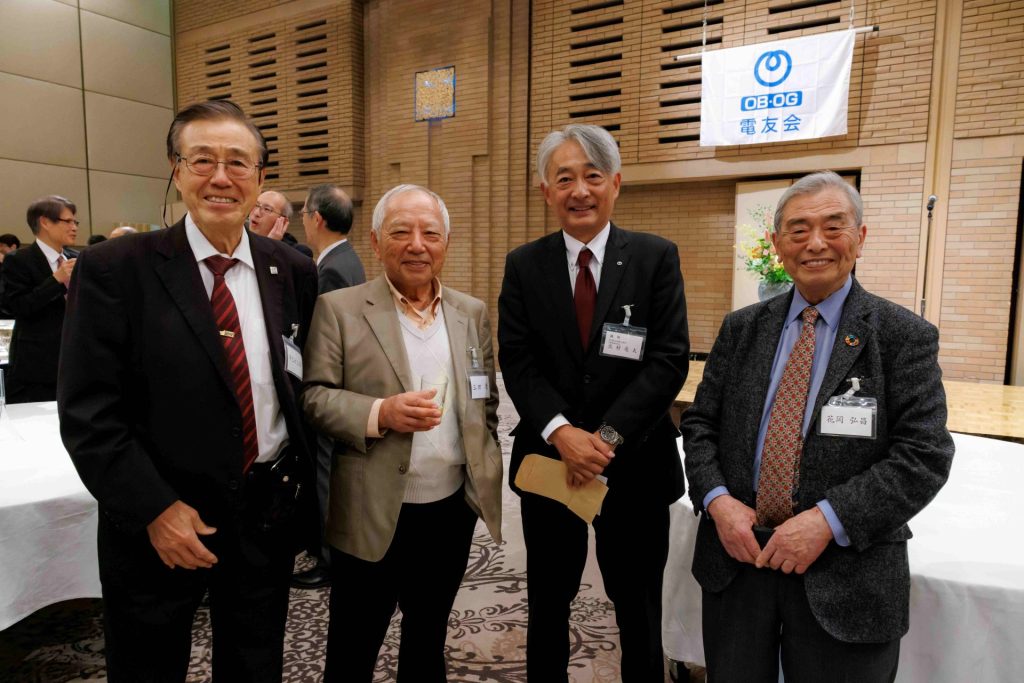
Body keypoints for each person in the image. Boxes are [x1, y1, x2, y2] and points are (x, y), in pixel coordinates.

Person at [58, 100, 318, 683]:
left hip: (264, 516)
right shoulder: (115, 270)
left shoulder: (292, 270)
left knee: (255, 666)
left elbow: (298, 384)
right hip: (159, 523)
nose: (221, 177)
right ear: (176, 171)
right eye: (203, 160)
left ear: (260, 177)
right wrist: (153, 509)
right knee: (148, 667)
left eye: (238, 163)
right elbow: (89, 413)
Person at [681, 171, 954, 682]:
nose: (816, 243)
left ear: (860, 237)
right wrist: (718, 501)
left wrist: (827, 521)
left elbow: (924, 455)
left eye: (833, 226)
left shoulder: (902, 336)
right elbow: (699, 425)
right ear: (777, 243)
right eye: (799, 229)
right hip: (740, 562)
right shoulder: (742, 329)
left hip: (847, 572)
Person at [498, 124, 690, 682]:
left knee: (638, 607)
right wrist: (562, 433)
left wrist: (604, 439)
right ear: (546, 191)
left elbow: (668, 360)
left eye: (592, 176)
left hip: (635, 465)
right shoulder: (524, 264)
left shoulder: (655, 258)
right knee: (548, 602)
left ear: (616, 184)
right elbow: (517, 360)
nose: (579, 190)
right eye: (564, 179)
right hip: (550, 462)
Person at [302, 184, 503, 682]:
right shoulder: (341, 309)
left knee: (427, 638)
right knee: (353, 647)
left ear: (445, 243)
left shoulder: (470, 312)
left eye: (430, 233)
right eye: (401, 232)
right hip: (371, 509)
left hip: (449, 512)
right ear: (375, 241)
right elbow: (314, 397)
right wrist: (381, 413)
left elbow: (485, 402)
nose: (417, 244)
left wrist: (482, 467)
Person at [291, 182, 366, 590]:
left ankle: (329, 559)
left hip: (333, 384)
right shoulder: (345, 258)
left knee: (325, 468)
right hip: (345, 383)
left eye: (303, 213)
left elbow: (329, 336)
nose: (303, 221)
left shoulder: (333, 268)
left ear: (316, 218)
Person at [2, 196, 78, 403]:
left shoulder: (77, 258)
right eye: (68, 221)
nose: (74, 227)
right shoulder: (19, 260)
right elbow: (17, 306)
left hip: (77, 358)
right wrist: (56, 280)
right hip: (38, 365)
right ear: (45, 222)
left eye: (75, 222)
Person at [249, 189, 313, 257]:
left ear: (283, 221)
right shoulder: (242, 244)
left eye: (267, 209)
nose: (256, 213)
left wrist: (271, 245)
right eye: (256, 205)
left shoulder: (298, 253)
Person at [0, 233, 23, 318]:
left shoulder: (22, 261)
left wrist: (3, 262)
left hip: (11, 309)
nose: (0, 249)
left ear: (13, 247)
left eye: (2, 245)